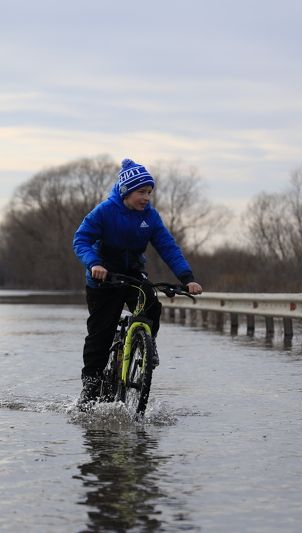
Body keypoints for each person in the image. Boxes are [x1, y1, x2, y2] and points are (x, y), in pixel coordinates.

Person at [72, 158, 203, 407]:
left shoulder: (150, 217)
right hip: (104, 279)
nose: (146, 197)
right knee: (100, 336)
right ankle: (89, 388)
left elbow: (168, 247)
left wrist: (187, 278)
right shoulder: (104, 212)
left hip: (132, 275)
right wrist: (94, 264)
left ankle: (145, 347)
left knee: (152, 306)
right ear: (126, 191)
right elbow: (81, 240)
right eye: (141, 192)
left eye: (149, 192)